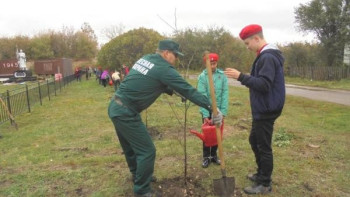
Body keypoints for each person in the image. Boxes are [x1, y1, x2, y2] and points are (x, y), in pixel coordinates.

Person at [108, 39, 223, 197]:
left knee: (131, 147)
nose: (176, 59)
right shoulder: (164, 68)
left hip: (116, 106)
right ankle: (142, 191)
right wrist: (213, 108)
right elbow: (189, 90)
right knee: (147, 151)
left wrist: (174, 91)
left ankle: (138, 176)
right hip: (126, 112)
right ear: (166, 53)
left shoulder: (146, 58)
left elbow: (152, 80)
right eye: (175, 55)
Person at [224, 24, 285, 195]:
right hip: (264, 108)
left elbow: (264, 84)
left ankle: (264, 183)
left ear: (257, 38)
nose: (247, 47)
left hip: (266, 109)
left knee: (263, 146)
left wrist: (241, 77)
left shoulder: (267, 57)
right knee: (254, 140)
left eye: (247, 43)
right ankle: (261, 173)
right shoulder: (265, 55)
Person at [197, 53, 228, 168]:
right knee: (207, 134)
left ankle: (214, 155)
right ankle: (206, 157)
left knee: (216, 134)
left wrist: (223, 112)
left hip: (218, 111)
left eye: (214, 63)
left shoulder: (222, 76)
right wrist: (205, 114)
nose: (213, 66)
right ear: (206, 64)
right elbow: (202, 96)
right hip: (207, 109)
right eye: (210, 64)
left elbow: (225, 94)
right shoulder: (202, 77)